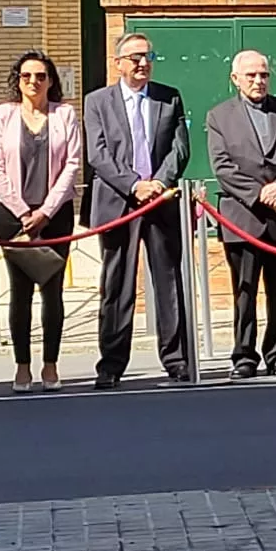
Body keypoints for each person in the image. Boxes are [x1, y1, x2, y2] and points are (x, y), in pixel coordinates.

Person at [83, 32, 192, 389]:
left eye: (147, 56)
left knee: (169, 282)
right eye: (134, 57)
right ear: (118, 63)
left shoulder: (168, 97)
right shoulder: (97, 101)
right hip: (119, 203)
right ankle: (112, 364)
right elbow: (98, 154)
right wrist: (133, 184)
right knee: (117, 285)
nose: (142, 63)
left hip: (161, 202)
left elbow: (179, 148)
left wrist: (158, 182)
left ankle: (177, 360)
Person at [208, 50, 276, 379]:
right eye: (251, 75)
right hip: (241, 216)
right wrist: (260, 195)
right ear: (235, 79)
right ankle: (244, 356)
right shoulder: (219, 116)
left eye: (264, 74)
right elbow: (223, 167)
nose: (258, 80)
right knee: (244, 289)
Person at [0, 50, 82, 394]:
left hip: (55, 216)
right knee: (20, 292)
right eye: (26, 76)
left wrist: (46, 211)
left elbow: (72, 165)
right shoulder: (4, 115)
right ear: (18, 80)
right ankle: (22, 366)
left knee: (52, 291)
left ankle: (51, 365)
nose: (33, 82)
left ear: (50, 80)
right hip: (13, 216)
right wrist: (23, 212)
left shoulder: (65, 114)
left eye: (40, 76)